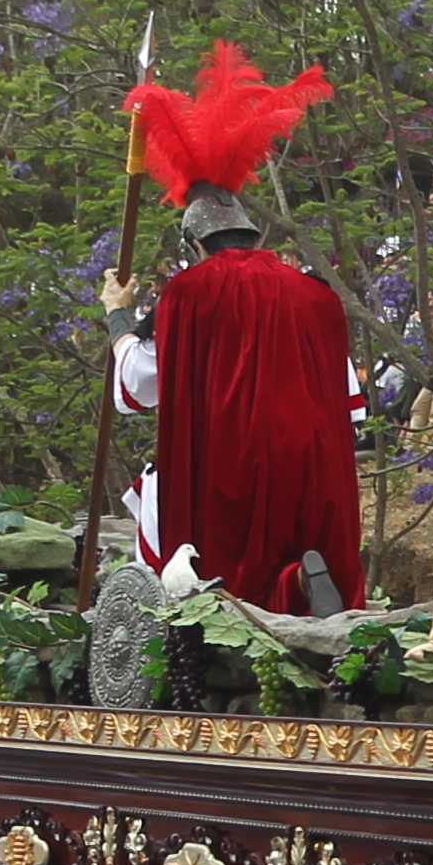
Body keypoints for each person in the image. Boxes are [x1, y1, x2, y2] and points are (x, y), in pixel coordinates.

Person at [107, 45, 365, 614]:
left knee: (218, 563)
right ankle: (297, 582)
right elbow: (353, 404)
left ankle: (258, 604)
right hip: (314, 467)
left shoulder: (190, 293)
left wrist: (118, 317)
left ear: (195, 244)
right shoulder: (313, 292)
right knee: (294, 545)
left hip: (234, 467)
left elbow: (138, 386)